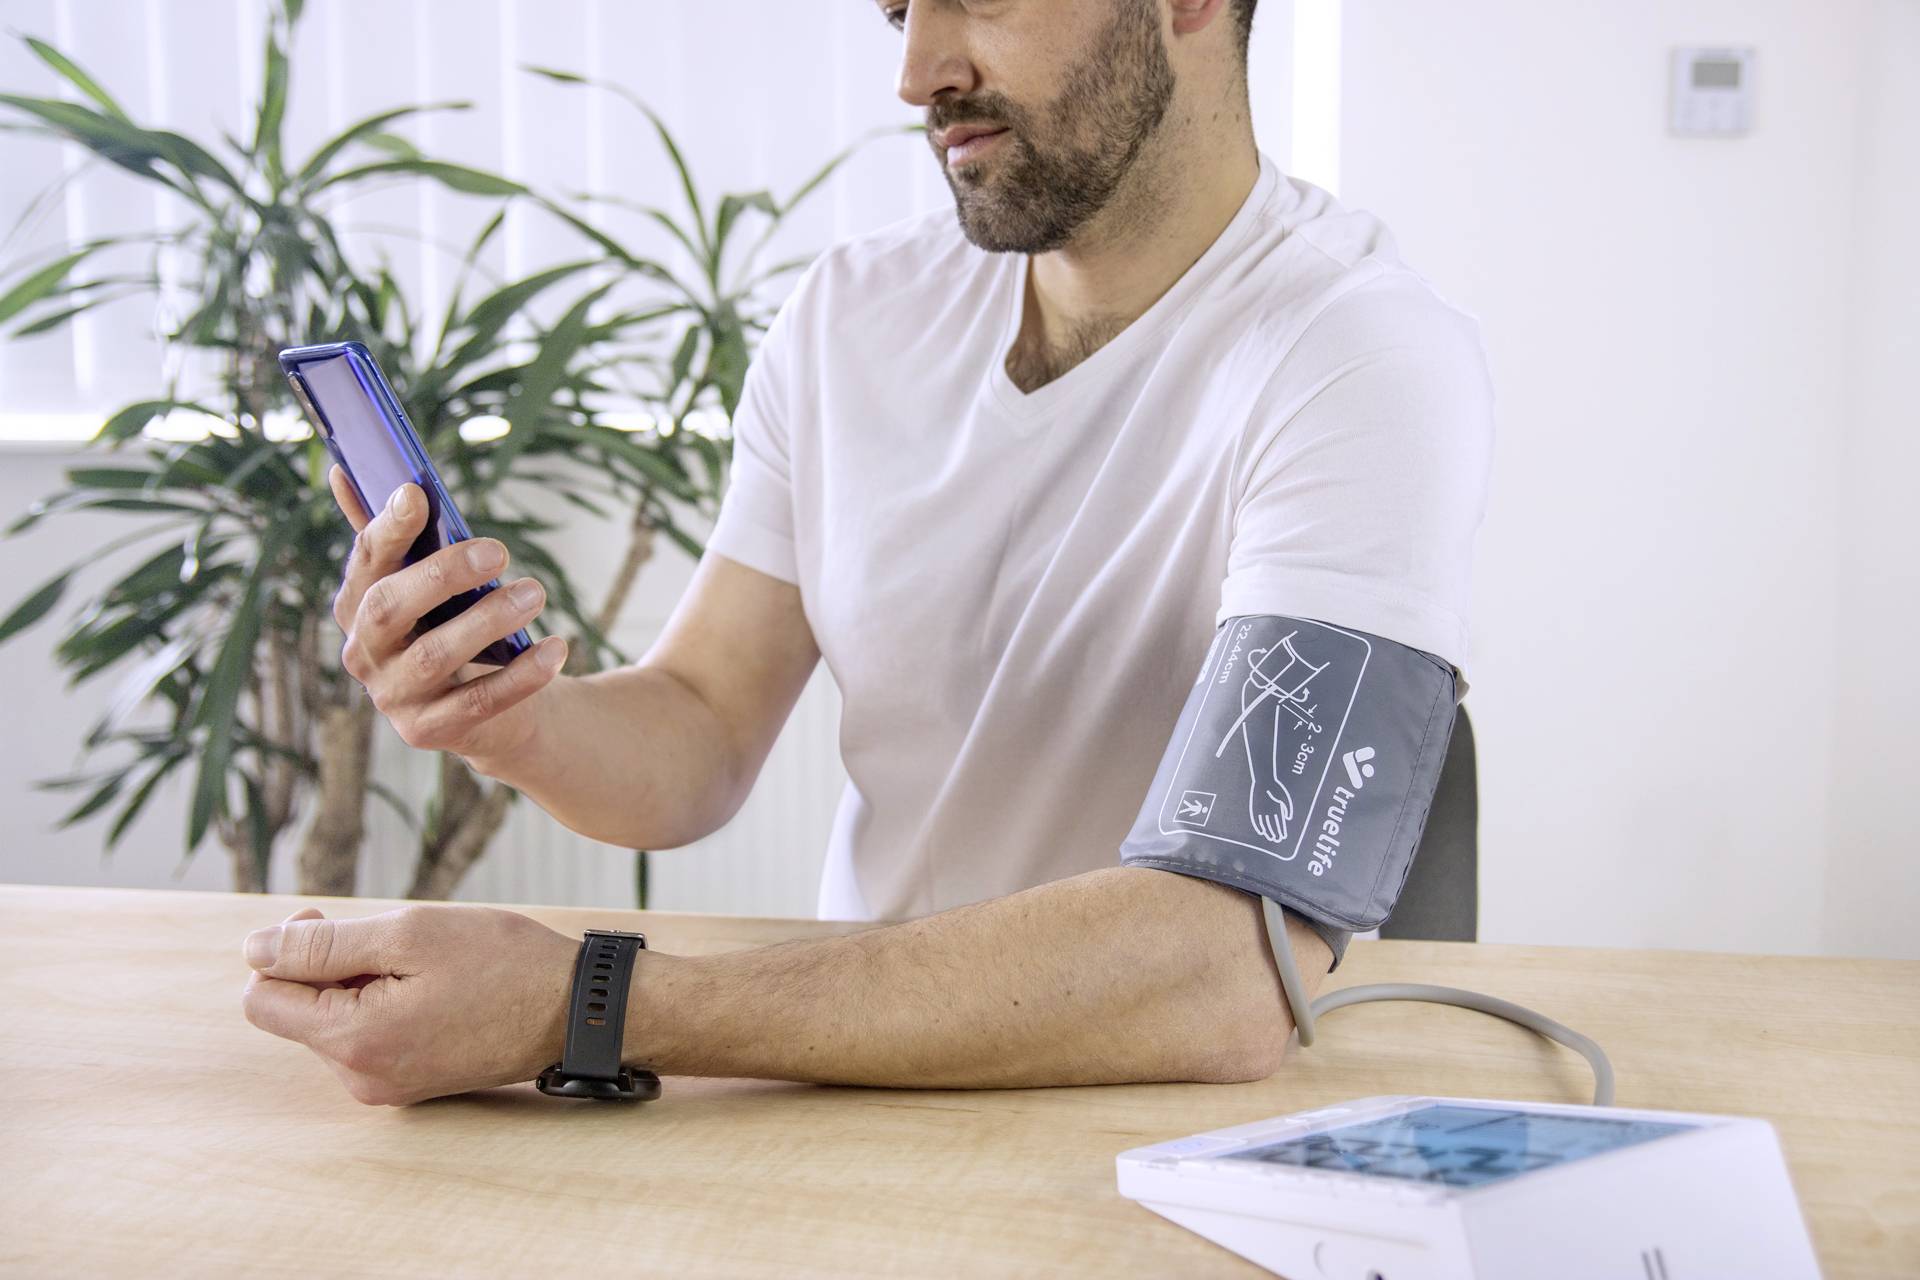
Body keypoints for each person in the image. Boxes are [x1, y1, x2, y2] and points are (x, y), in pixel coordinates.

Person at [240, 0, 1492, 1107]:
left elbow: (1227, 965)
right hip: (839, 1091)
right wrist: (505, 715)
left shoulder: (1358, 356)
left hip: (1162, 1117)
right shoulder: (851, 317)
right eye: (899, 8)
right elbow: (702, 726)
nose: (918, 70)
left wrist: (597, 1000)